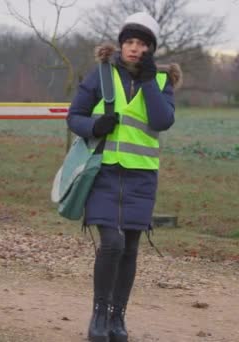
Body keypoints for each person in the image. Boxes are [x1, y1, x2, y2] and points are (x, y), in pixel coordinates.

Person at [66, 11, 181, 342]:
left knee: (130, 246)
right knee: (112, 243)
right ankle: (99, 315)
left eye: (141, 43)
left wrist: (147, 81)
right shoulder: (101, 75)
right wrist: (93, 126)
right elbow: (74, 116)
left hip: (141, 178)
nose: (134, 48)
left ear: (150, 48)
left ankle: (118, 319)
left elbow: (162, 121)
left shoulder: (161, 82)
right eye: (129, 42)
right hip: (103, 172)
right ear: (121, 44)